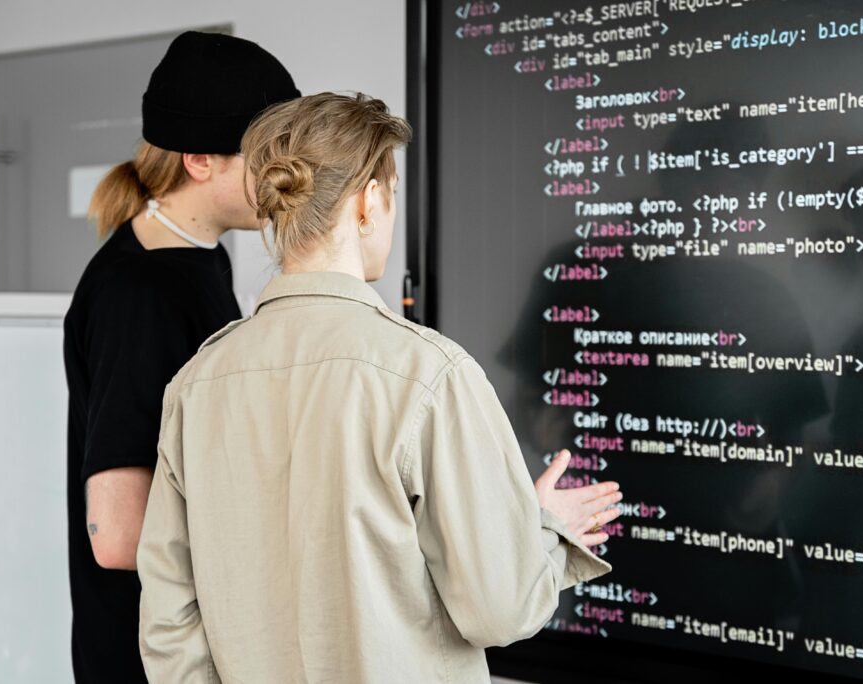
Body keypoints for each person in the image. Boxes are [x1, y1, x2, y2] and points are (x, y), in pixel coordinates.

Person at [136, 92, 621, 683]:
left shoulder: (196, 384)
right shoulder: (431, 374)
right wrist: (537, 528)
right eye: (391, 197)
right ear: (368, 203)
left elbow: (168, 627)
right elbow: (501, 610)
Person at [62, 31, 299, 683]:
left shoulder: (199, 261)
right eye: (270, 156)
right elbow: (116, 534)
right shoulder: (139, 294)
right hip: (151, 661)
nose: (290, 176)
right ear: (199, 160)